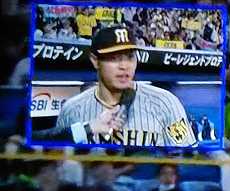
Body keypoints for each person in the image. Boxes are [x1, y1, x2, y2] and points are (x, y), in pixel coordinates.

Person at [46, 26, 196, 147]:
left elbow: (188, 161)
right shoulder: (71, 110)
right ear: (95, 61)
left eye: (130, 57)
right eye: (114, 58)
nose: (124, 66)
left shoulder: (166, 103)